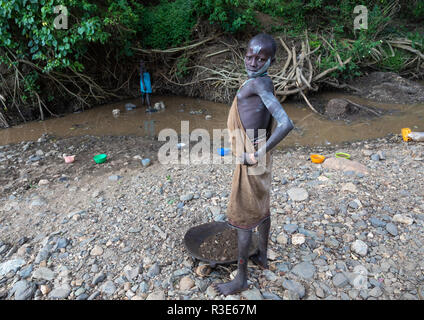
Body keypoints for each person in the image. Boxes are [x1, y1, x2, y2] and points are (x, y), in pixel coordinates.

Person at [213, 33, 294, 296]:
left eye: (260, 58)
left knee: (242, 215)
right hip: (258, 149)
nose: (252, 61)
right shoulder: (264, 82)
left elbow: (285, 123)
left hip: (252, 154)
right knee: (261, 204)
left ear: (271, 60)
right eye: (249, 55)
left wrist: (256, 153)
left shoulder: (259, 84)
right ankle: (262, 254)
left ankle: (242, 279)